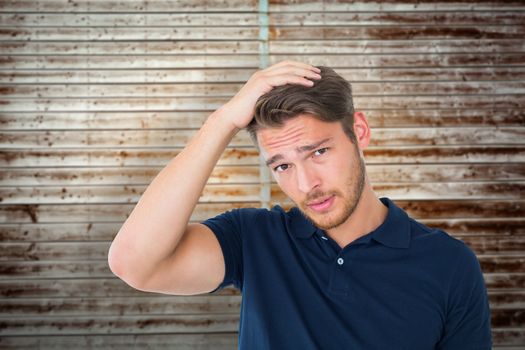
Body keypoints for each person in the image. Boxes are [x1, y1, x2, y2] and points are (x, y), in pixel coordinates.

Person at [108, 61, 493, 349]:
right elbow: (134, 264)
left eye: (319, 151)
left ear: (358, 132)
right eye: (283, 166)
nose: (306, 184)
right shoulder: (254, 239)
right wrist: (222, 121)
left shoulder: (449, 264)